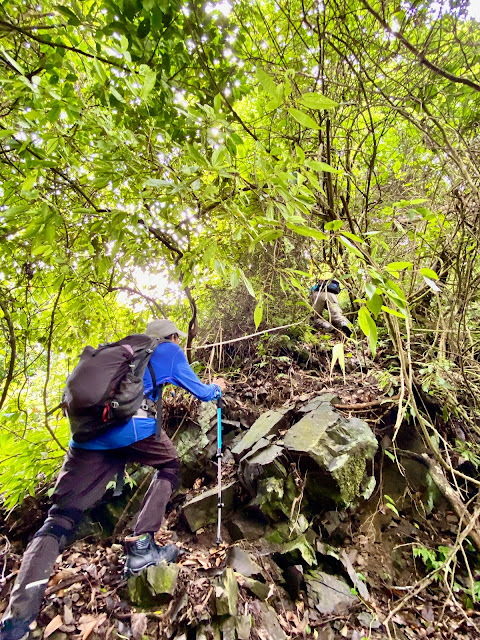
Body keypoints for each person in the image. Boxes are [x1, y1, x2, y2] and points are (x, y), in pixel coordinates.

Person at [0, 319, 226, 640]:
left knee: (59, 518)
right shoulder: (169, 351)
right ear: (171, 337)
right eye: (177, 337)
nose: (179, 341)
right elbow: (202, 393)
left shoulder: (123, 351)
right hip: (134, 431)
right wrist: (218, 389)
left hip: (88, 438)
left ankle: (17, 618)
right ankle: (142, 546)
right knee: (171, 466)